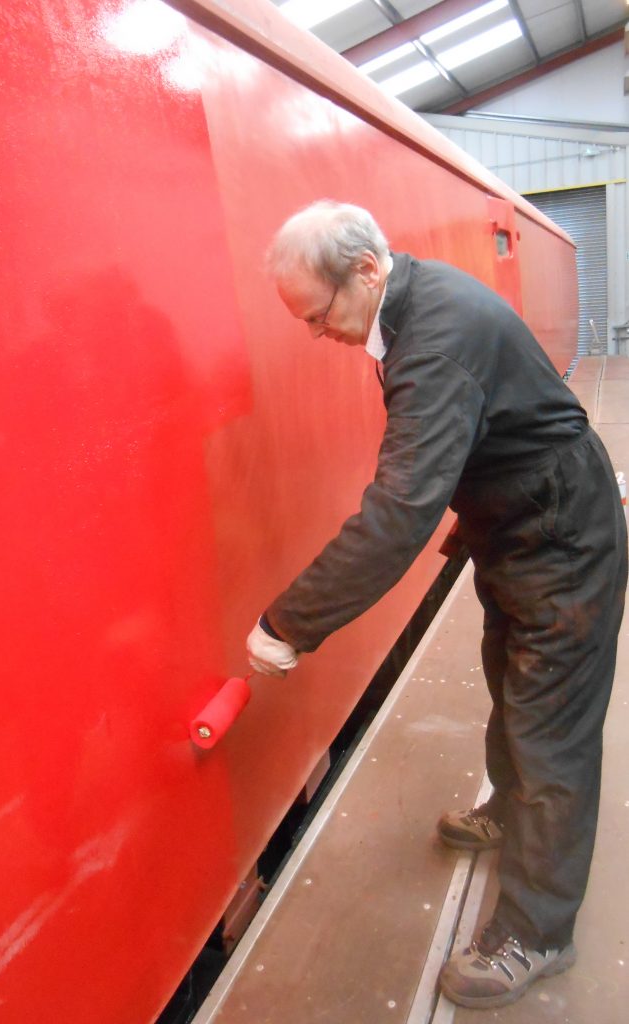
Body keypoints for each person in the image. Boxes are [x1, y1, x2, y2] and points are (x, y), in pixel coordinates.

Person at [246, 200, 627, 1010]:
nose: (324, 336)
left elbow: (398, 511)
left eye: (321, 318)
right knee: (508, 678)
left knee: (548, 725)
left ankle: (537, 930)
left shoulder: (435, 339)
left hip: (560, 534)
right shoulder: (413, 308)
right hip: (520, 524)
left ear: (366, 271)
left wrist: (288, 623)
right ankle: (508, 811)